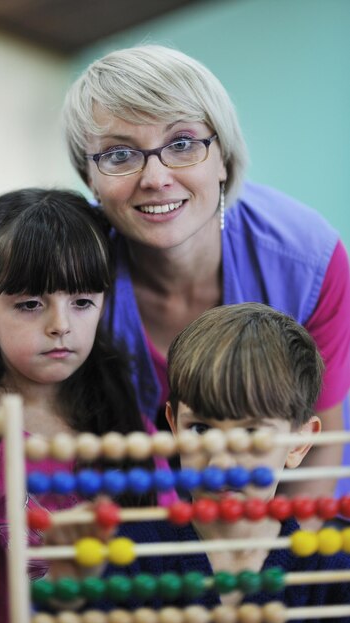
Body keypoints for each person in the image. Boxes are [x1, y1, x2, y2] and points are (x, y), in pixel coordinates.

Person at [61, 44, 350, 508]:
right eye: (118, 154)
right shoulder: (70, 273)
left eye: (182, 144)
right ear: (89, 178)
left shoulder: (308, 260)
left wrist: (276, 570)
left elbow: (322, 439)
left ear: (223, 158)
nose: (155, 178)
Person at [0, 188, 160, 623]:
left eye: (82, 301)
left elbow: (162, 557)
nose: (61, 326)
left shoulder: (125, 420)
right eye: (31, 304)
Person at [88, 304, 350, 622]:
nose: (221, 462)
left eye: (251, 432)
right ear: (173, 425)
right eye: (200, 428)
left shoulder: (331, 574)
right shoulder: (132, 557)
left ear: (299, 443)